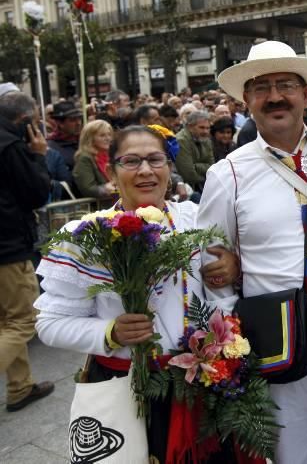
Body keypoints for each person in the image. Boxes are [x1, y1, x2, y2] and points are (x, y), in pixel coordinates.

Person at [203, 40, 307, 464]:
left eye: (285, 85)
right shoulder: (227, 174)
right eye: (262, 87)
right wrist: (229, 346)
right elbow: (210, 264)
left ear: (305, 94)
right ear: (246, 100)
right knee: (293, 456)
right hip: (278, 346)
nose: (275, 96)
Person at [35, 124, 240, 461]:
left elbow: (220, 296)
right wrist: (110, 332)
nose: (145, 170)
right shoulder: (85, 237)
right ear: (110, 170)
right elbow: (50, 324)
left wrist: (232, 272)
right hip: (125, 387)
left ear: (169, 168)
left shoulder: (195, 220)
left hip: (200, 387)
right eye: (130, 161)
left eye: (155, 159)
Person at [0, 91, 54, 413]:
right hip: (7, 246)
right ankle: (20, 386)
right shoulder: (11, 146)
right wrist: (38, 156)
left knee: (6, 320)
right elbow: (35, 194)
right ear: (24, 122)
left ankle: (20, 387)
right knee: (24, 320)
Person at [72, 120, 115, 202]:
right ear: (90, 138)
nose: (108, 138)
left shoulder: (112, 155)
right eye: (102, 135)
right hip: (98, 208)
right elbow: (88, 189)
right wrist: (106, 188)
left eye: (109, 134)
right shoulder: (84, 158)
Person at [175, 110, 214, 194]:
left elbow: (213, 167)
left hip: (203, 186)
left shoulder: (206, 139)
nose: (206, 131)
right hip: (186, 189)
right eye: (201, 127)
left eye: (208, 128)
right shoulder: (181, 141)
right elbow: (188, 175)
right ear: (190, 127)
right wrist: (206, 174)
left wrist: (196, 166)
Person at [48, 101, 83, 171]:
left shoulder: (85, 140)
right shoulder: (51, 148)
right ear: (60, 123)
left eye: (79, 118)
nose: (78, 123)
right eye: (73, 120)